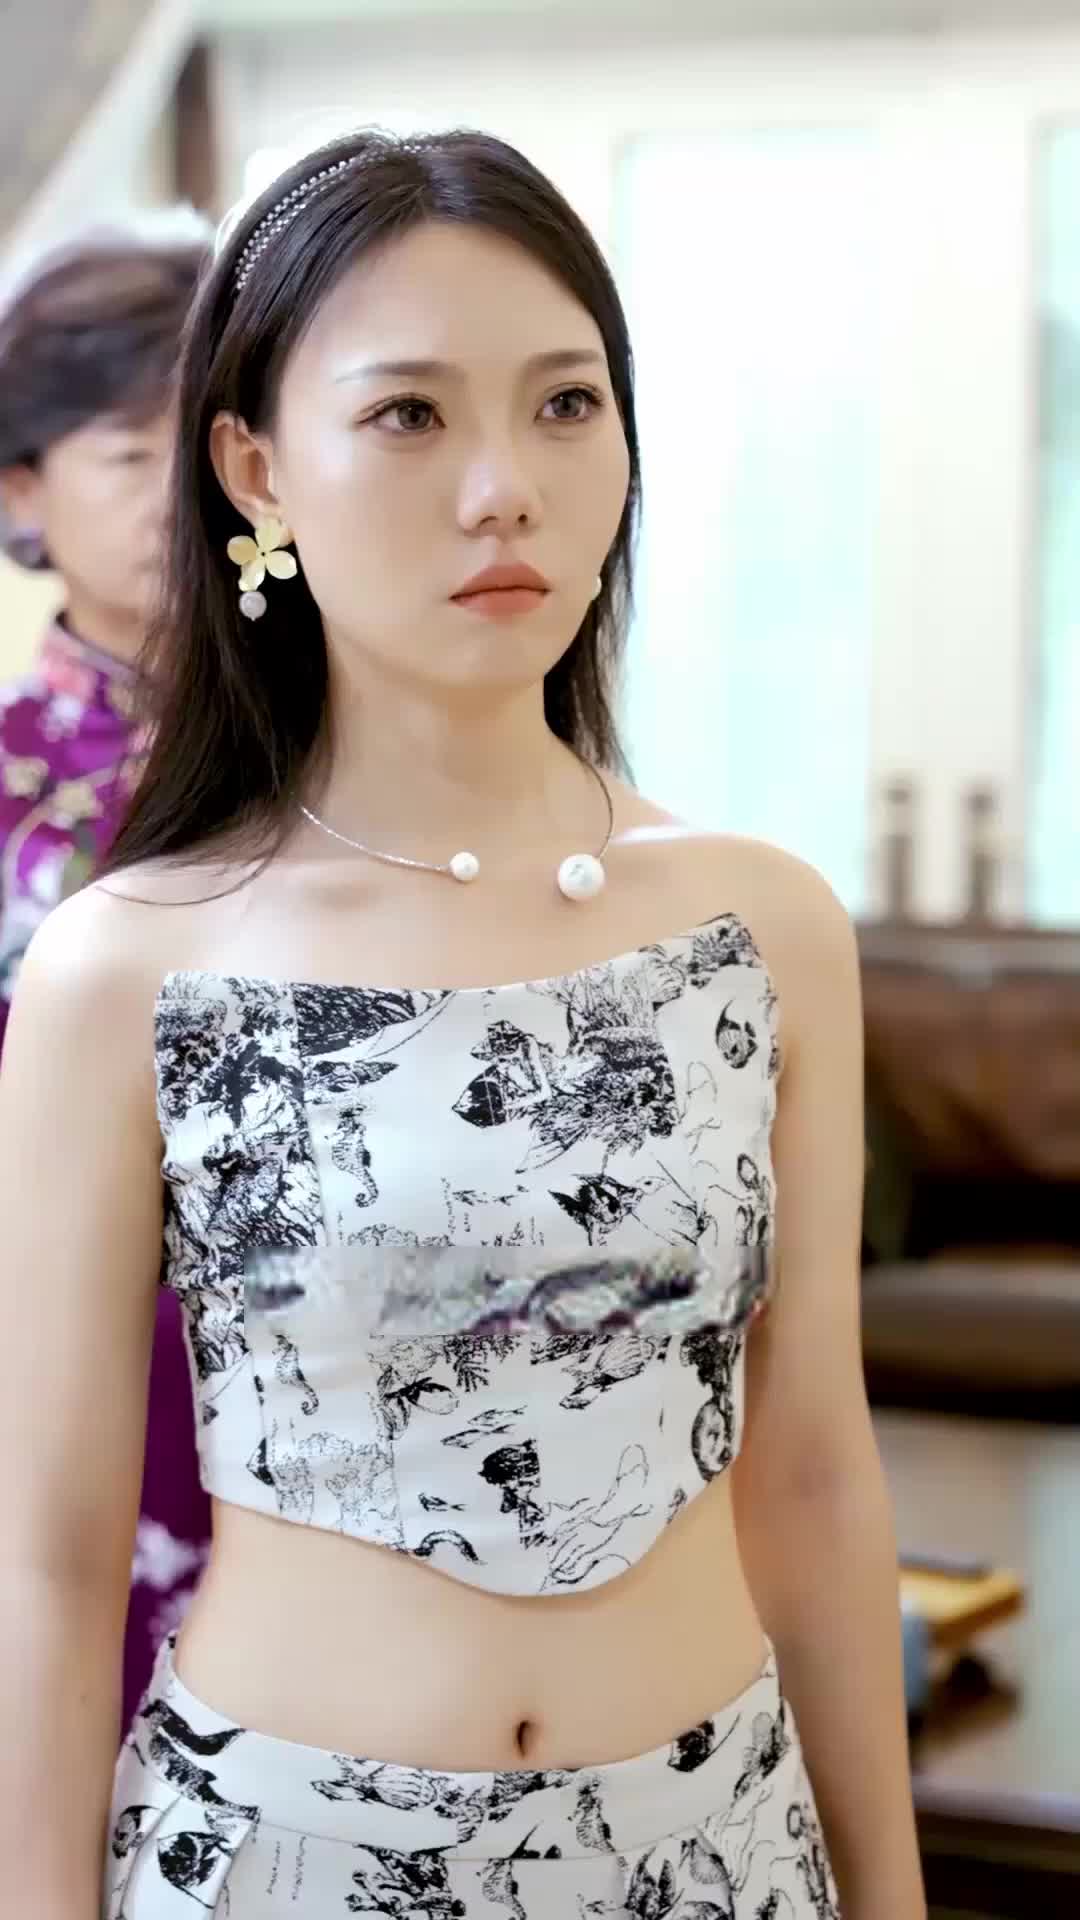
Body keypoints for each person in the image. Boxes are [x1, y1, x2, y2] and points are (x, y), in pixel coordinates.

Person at [1, 130, 925, 1918]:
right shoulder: (129, 967)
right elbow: (44, 1554)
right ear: (255, 468)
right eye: (410, 415)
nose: (505, 488)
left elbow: (813, 1471)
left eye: (567, 404)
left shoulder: (765, 925)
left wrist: (886, 1899)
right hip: (281, 1860)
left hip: (717, 1850)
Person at [0, 221, 213, 1736]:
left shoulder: (347, 761)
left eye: (199, 449)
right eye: (128, 454)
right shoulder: (10, 774)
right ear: (23, 489)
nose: (171, 499)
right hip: (54, 1339)